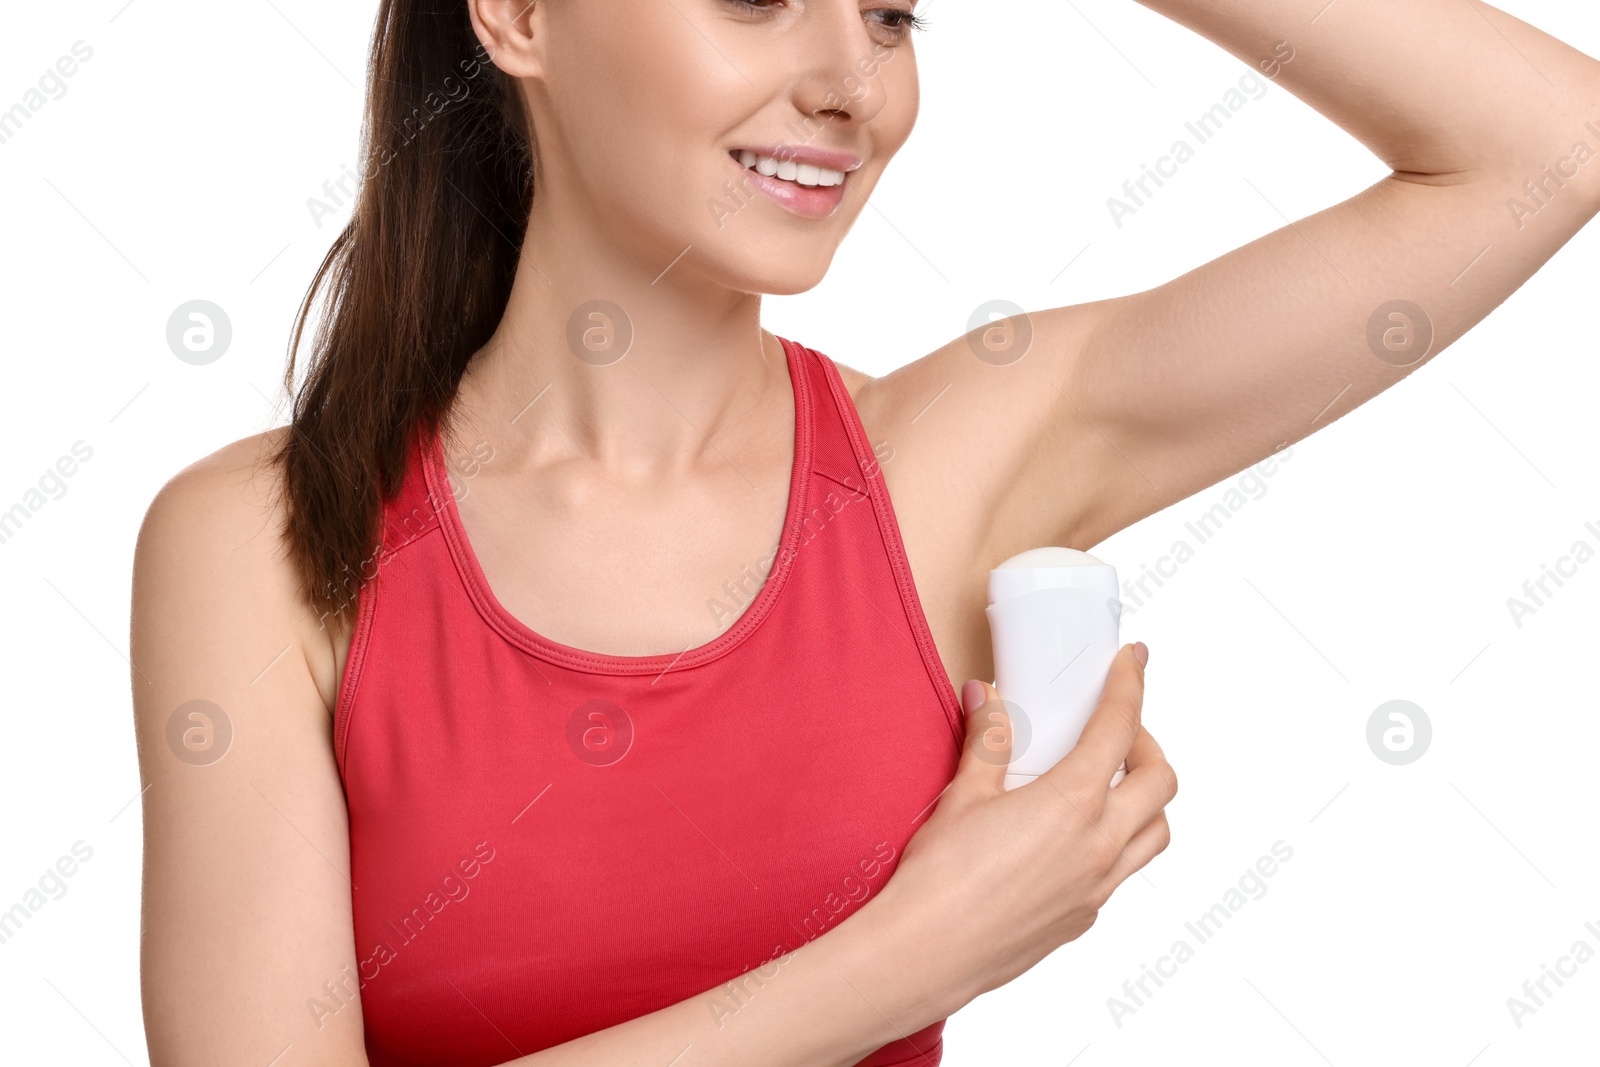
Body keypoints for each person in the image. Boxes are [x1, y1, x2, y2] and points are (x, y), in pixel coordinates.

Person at [130, 1, 1600, 1065]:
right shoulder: (259, 546)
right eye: (761, 0)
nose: (853, 84)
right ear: (517, 15)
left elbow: (1549, 139)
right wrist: (908, 957)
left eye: (894, 14)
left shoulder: (951, 465)